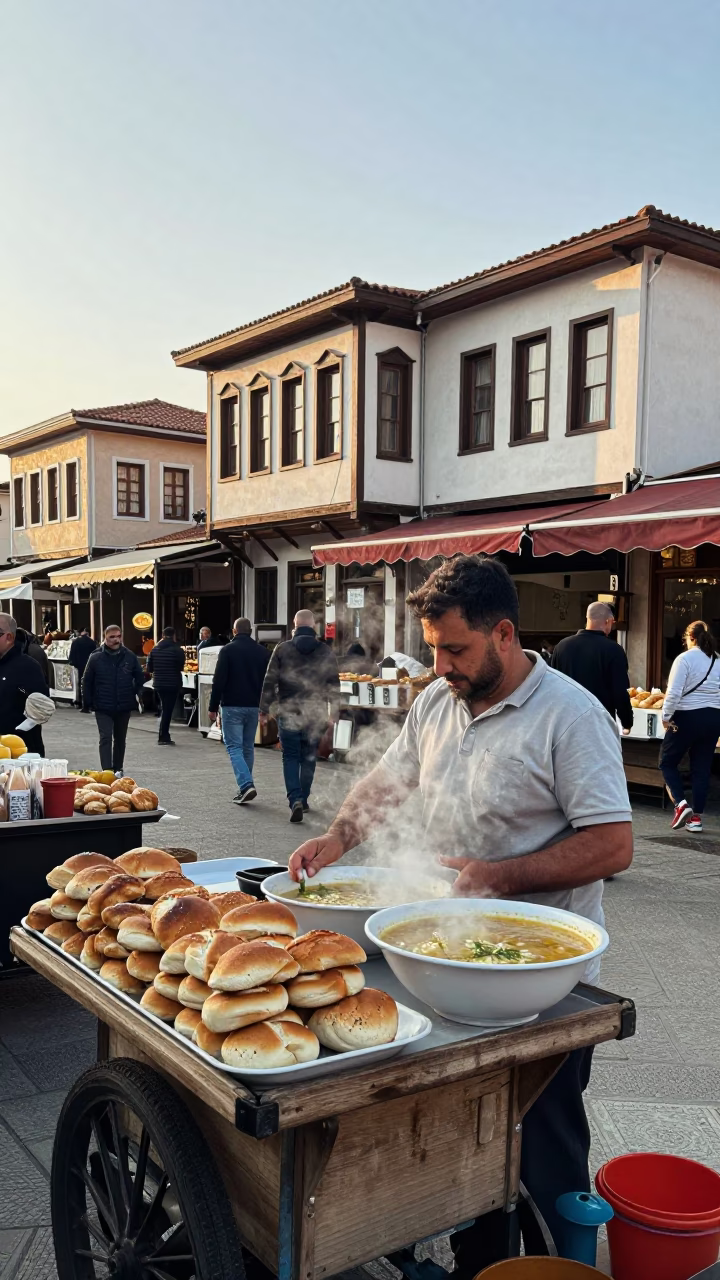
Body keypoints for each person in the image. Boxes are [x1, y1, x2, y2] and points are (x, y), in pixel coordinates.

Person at [289, 555, 632, 1266]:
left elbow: (614, 843)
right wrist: (338, 836)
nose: (440, 664)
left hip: (540, 981)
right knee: (458, 1135)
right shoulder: (436, 700)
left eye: (455, 649)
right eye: (433, 648)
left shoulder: (571, 715)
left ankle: (542, 1263)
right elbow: (392, 780)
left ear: (503, 634)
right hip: (442, 956)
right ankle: (467, 1248)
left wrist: (500, 877)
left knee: (538, 1146)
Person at [260, 609, 340, 822]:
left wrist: (264, 709)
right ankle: (303, 798)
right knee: (309, 755)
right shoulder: (325, 650)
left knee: (290, 756)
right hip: (317, 711)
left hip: (289, 710)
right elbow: (333, 683)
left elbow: (270, 680)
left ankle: (294, 798)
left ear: (294, 625)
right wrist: (335, 712)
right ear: (313, 625)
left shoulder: (282, 649)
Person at [659, 619, 720, 832]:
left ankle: (680, 804)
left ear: (690, 637)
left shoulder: (684, 659)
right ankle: (696, 819)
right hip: (714, 718)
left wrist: (666, 716)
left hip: (687, 716)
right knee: (702, 768)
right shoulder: (718, 660)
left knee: (667, 762)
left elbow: (674, 692)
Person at [209, 618, 270, 804]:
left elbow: (219, 680)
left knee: (233, 747)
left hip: (232, 705)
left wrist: (212, 707)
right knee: (247, 747)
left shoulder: (227, 650)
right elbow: (268, 683)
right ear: (250, 631)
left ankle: (245, 785)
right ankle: (246, 785)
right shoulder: (263, 652)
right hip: (254, 705)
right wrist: (265, 708)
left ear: (234, 632)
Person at [551, 601, 633, 734]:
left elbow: (553, 685)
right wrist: (627, 722)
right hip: (599, 722)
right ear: (608, 621)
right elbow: (620, 691)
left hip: (566, 722)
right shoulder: (613, 650)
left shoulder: (562, 647)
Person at [82, 624, 145, 773]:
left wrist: (138, 694)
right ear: (105, 638)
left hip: (124, 705)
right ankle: (107, 770)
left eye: (119, 636)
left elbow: (139, 676)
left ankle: (118, 768)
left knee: (120, 739)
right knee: (105, 737)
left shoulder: (129, 656)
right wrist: (88, 702)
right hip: (102, 705)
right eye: (112, 637)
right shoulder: (96, 657)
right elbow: (87, 680)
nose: (116, 640)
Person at [0, 614, 50, 755]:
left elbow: (43, 707)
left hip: (22, 752)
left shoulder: (28, 666)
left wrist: (18, 730)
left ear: (9, 637)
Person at [145, 626, 185, 745]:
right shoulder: (177, 650)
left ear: (162, 635)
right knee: (168, 709)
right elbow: (181, 666)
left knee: (164, 708)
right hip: (172, 683)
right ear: (174, 636)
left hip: (159, 683)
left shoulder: (154, 650)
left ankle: (164, 734)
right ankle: (163, 736)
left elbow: (149, 668)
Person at [69, 625, 96, 707]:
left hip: (78, 665)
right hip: (89, 665)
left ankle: (79, 701)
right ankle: (88, 701)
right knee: (89, 683)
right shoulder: (92, 642)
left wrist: (72, 662)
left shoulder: (76, 642)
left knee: (79, 683)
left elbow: (72, 654)